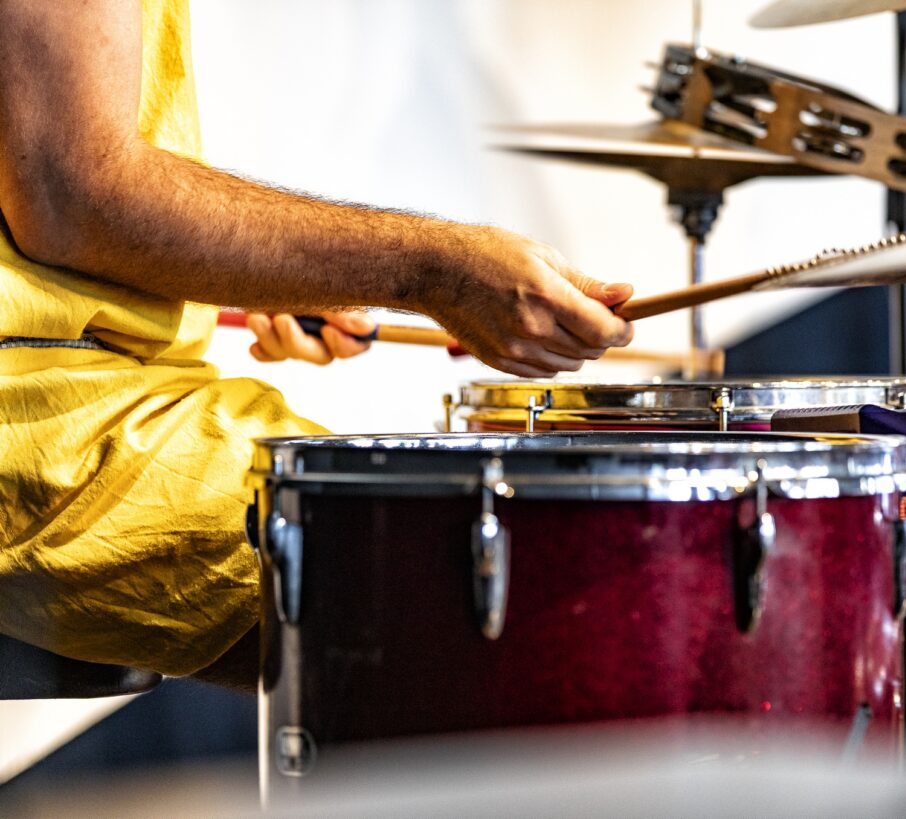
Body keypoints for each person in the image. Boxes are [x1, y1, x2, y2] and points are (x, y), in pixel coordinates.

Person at [0, 0, 633, 686]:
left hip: (90, 388)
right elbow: (72, 192)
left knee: (479, 575)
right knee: (486, 614)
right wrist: (438, 274)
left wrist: (266, 278)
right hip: (39, 413)